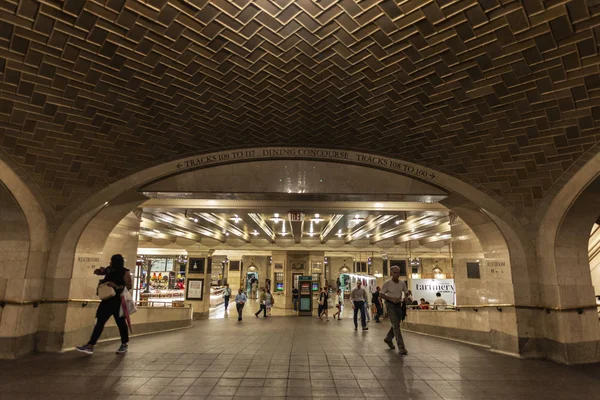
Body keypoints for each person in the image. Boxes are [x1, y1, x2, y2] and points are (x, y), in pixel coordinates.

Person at [76, 254, 133, 355]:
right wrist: (99, 271)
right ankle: (90, 345)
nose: (110, 262)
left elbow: (129, 286)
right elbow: (99, 272)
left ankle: (124, 344)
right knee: (100, 322)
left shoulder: (124, 272)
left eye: (112, 261)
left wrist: (116, 286)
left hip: (117, 301)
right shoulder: (109, 270)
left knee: (121, 323)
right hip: (106, 300)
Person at [380, 265, 408, 355]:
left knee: (396, 324)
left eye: (398, 272)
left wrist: (405, 298)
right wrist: (391, 299)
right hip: (390, 305)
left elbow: (406, 292)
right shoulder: (387, 283)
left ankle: (388, 338)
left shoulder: (402, 283)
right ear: (391, 273)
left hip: (398, 305)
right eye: (395, 272)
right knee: (396, 325)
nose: (397, 274)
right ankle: (401, 347)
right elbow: (381, 294)